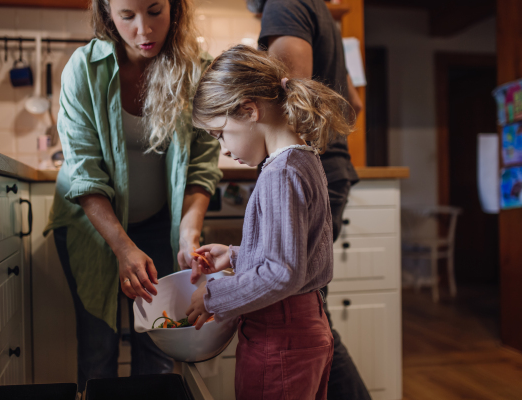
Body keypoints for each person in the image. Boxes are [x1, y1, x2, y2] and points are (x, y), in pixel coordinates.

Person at [43, 0, 222, 394]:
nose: (144, 30)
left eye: (155, 11)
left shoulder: (196, 70)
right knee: (98, 350)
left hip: (162, 226)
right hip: (92, 231)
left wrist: (187, 236)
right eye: (127, 16)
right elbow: (85, 175)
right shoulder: (84, 70)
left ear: (175, 8)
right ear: (108, 14)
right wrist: (122, 247)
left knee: (158, 346)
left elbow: (202, 167)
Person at [185, 44, 353, 400]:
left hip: (279, 336)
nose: (225, 151)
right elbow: (295, 256)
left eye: (220, 135)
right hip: (307, 326)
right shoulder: (304, 158)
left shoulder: (280, 173)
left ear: (248, 110)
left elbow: (281, 273)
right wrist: (234, 256)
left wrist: (214, 295)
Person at [246, 0, 371, 398]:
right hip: (333, 167)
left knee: (304, 319)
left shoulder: (282, 5)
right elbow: (354, 103)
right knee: (312, 312)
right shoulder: (319, 11)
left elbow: (284, 100)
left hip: (315, 168)